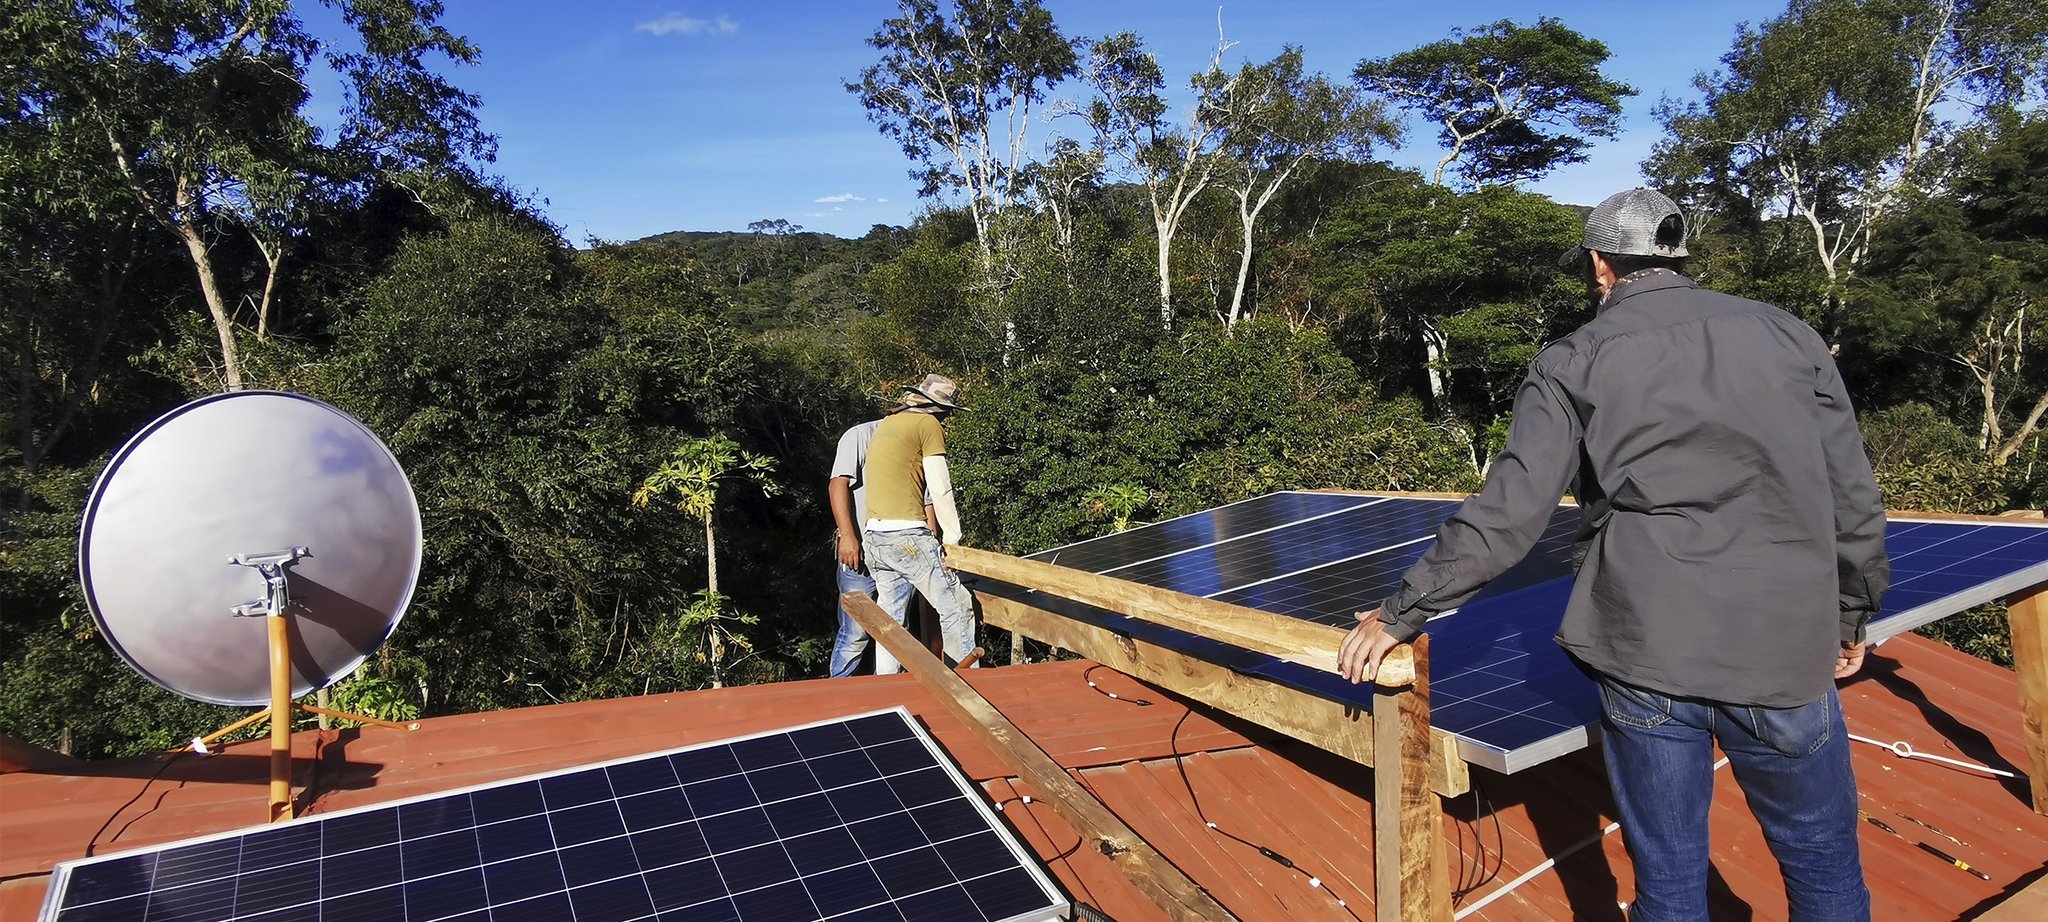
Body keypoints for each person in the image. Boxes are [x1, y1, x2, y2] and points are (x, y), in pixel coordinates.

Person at [1336, 188, 1889, 922]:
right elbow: (1851, 494)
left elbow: (1509, 514)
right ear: (1677, 256)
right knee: (1823, 865)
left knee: (1669, 879)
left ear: (1600, 265)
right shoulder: (1789, 335)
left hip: (1647, 646)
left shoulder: (1575, 359)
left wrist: (1401, 613)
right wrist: (1849, 616)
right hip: (1783, 644)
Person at [861, 373, 976, 674]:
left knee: (891, 620)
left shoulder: (888, 423)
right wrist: (952, 537)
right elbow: (940, 486)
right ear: (938, 407)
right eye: (947, 411)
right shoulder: (927, 424)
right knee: (956, 606)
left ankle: (886, 685)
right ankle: (966, 684)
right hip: (907, 535)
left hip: (875, 537)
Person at [826, 415, 921, 678]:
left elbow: (926, 500)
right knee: (855, 631)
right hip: (860, 552)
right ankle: (837, 692)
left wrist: (932, 545)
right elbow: (838, 484)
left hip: (902, 554)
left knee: (896, 628)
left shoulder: (917, 442)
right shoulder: (860, 435)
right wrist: (848, 536)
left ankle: (888, 692)